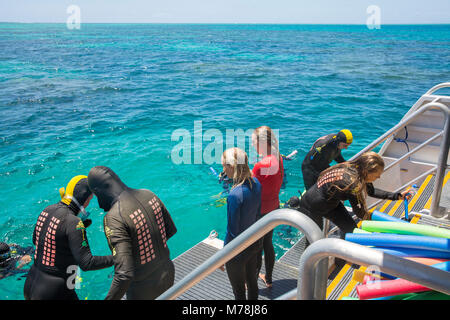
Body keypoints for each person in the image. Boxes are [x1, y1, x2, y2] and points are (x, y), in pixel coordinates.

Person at [87, 166, 177, 300]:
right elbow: (170, 230)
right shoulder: (148, 194)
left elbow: (124, 274)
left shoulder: (114, 217)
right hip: (168, 274)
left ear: (98, 191)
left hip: (143, 290)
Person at [24, 175, 114, 300]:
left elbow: (37, 240)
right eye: (90, 198)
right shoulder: (74, 222)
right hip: (56, 291)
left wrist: (69, 237)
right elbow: (87, 263)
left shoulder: (47, 210)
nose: (89, 202)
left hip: (31, 283)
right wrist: (118, 258)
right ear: (85, 198)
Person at [299, 151, 411, 236]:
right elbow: (361, 214)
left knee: (351, 230)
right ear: (367, 171)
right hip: (312, 206)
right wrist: (385, 226)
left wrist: (397, 196)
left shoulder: (354, 168)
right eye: (377, 175)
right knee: (314, 239)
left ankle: (342, 258)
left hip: (330, 203)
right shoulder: (353, 183)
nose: (379, 177)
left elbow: (371, 191)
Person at [220, 148, 262, 300]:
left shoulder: (234, 195)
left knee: (239, 291)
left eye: (224, 165)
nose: (223, 169)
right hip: (254, 243)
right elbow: (257, 215)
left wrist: (223, 256)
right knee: (252, 282)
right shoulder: (256, 183)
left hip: (238, 252)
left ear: (231, 166)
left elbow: (232, 232)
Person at [251, 126, 284, 288]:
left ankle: (252, 282)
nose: (252, 145)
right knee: (267, 243)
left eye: (253, 142)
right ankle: (269, 279)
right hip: (274, 207)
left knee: (257, 247)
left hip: (260, 211)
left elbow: (249, 187)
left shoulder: (260, 165)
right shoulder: (278, 157)